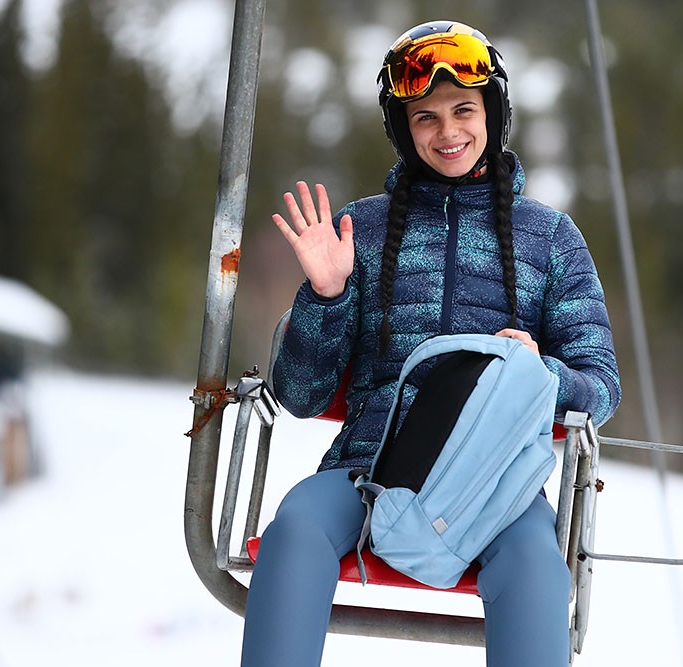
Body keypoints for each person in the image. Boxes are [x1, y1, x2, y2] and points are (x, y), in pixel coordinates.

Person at [241, 20, 621, 667]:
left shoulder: (550, 239)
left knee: (535, 567)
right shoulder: (359, 231)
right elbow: (300, 394)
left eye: (463, 110)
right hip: (367, 472)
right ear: (404, 129)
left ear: (492, 114)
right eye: (426, 117)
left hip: (492, 482)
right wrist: (326, 296)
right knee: (296, 530)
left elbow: (601, 385)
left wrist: (541, 372)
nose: (448, 132)